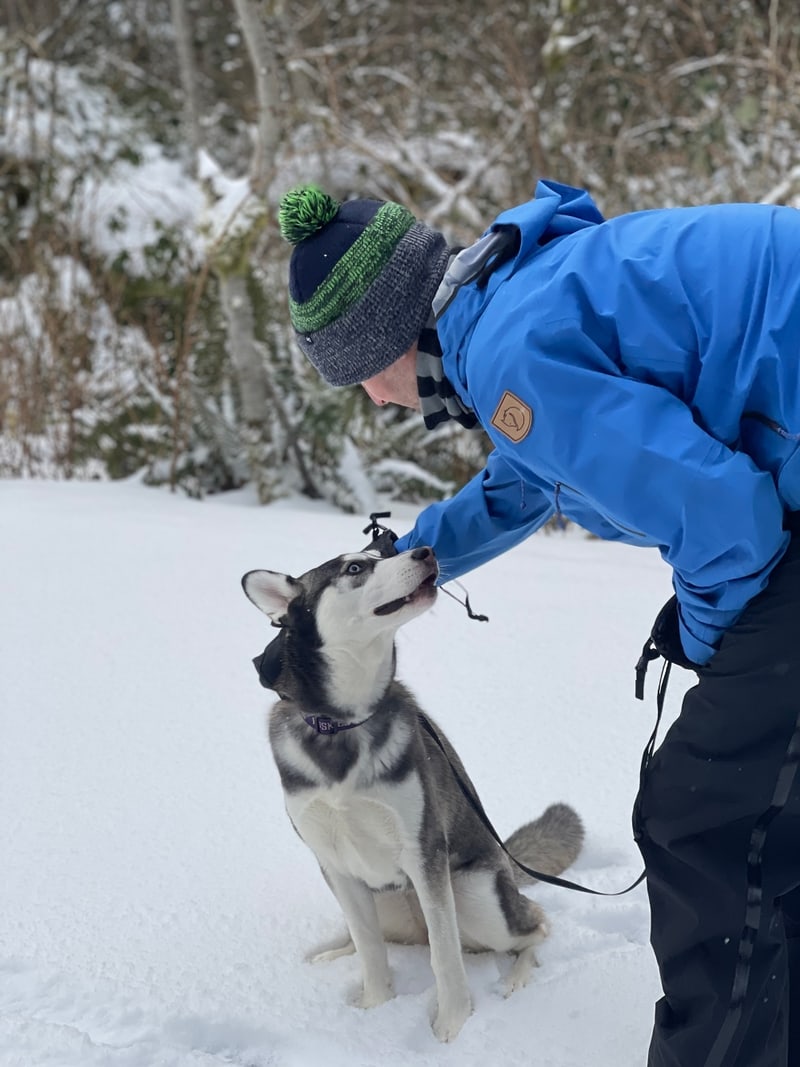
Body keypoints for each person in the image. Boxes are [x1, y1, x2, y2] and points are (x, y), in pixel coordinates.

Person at [276, 180, 800, 1067]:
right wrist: (410, 554)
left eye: (360, 370)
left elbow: (730, 526)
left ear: (390, 332)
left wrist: (715, 651)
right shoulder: (514, 298)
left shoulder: (514, 352)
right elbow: (529, 476)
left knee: (704, 811)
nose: (372, 398)